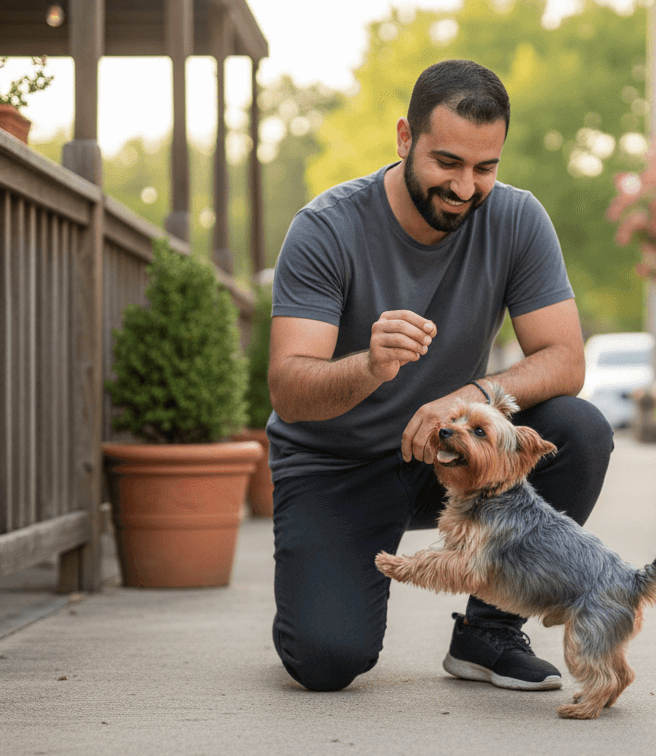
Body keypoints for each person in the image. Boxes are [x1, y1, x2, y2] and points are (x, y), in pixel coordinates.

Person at [265, 59, 613, 694]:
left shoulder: (516, 218)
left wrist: (470, 396)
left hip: (451, 462)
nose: (465, 187)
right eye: (447, 163)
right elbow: (289, 389)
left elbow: (566, 359)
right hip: (338, 467)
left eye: (486, 168)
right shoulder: (326, 228)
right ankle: (320, 581)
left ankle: (489, 631)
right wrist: (371, 366)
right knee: (326, 660)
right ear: (404, 138)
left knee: (577, 429)